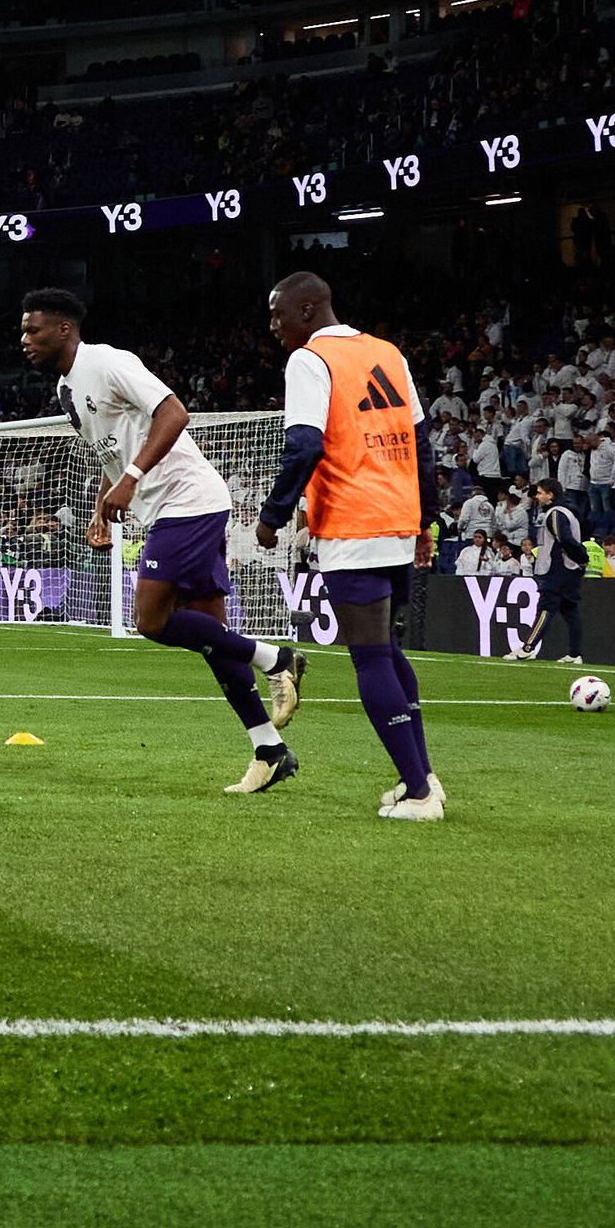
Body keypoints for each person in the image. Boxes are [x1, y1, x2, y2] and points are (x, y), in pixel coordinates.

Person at [21, 287, 300, 789]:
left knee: (150, 619)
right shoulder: (66, 392)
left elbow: (174, 413)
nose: (25, 339)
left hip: (188, 503)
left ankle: (275, 657)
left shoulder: (107, 362)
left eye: (32, 329)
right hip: (170, 510)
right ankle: (270, 749)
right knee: (214, 641)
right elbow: (108, 450)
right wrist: (101, 507)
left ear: (64, 328)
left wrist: (129, 479)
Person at [253, 271, 448, 822]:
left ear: (309, 309)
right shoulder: (386, 351)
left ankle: (418, 793)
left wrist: (272, 516)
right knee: (387, 650)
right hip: (398, 517)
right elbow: (422, 441)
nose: (273, 326)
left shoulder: (309, 360)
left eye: (278, 314)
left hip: (353, 522)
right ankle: (424, 777)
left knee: (368, 656)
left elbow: (305, 444)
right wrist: (426, 521)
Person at [528, 479, 587, 664]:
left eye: (539, 493)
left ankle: (528, 648)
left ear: (550, 494)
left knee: (546, 606)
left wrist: (581, 557)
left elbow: (565, 540)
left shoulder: (555, 514)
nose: (537, 497)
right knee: (570, 610)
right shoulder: (568, 512)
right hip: (570, 569)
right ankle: (575, 654)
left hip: (557, 568)